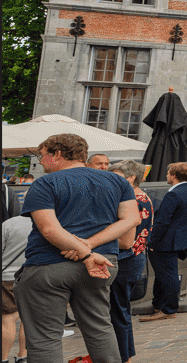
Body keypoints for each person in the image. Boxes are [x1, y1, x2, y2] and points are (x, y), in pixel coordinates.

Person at [17, 133, 139, 363]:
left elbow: (49, 230)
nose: (41, 161)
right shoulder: (117, 181)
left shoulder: (45, 183)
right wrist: (90, 247)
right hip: (102, 263)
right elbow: (131, 220)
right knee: (100, 329)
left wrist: (85, 251)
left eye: (43, 156)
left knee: (45, 337)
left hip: (48, 265)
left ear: (58, 154)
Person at [139, 161, 187, 323]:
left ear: (174, 176)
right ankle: (159, 304)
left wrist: (152, 242)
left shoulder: (173, 194)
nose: (166, 176)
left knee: (168, 275)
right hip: (182, 240)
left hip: (166, 241)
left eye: (168, 173)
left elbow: (163, 222)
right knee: (166, 274)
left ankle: (168, 308)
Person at [106, 161, 152, 363]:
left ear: (130, 177)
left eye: (115, 175)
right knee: (121, 311)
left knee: (118, 313)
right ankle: (125, 356)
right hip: (133, 259)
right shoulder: (139, 195)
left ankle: (122, 357)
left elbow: (125, 242)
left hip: (126, 260)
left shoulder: (133, 198)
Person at [3, 213, 33, 363]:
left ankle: (3, 359)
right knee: (27, 319)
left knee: (7, 320)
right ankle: (23, 356)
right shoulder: (49, 224)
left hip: (7, 278)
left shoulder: (9, 224)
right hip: (31, 276)